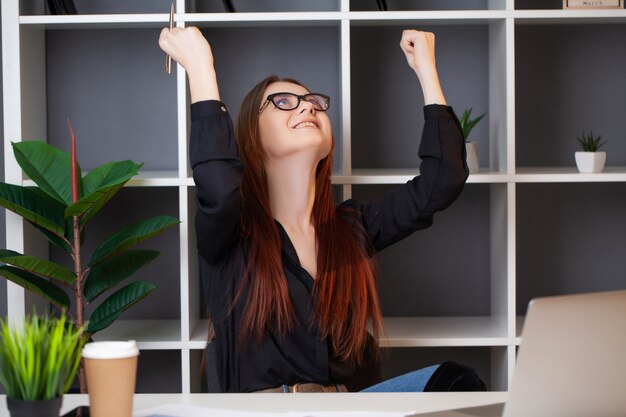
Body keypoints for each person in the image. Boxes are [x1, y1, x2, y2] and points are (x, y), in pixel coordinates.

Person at [159, 27, 482, 393]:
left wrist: (426, 68)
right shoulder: (232, 234)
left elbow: (443, 180)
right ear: (252, 136)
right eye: (284, 102)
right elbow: (217, 187)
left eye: (313, 101)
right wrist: (201, 68)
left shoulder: (352, 228)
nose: (308, 105)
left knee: (457, 382)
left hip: (348, 409)